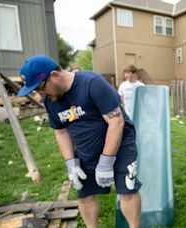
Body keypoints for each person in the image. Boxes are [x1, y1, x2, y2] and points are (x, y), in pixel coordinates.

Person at [17, 55, 142, 228]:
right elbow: (60, 132)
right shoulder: (50, 101)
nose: (40, 94)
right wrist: (71, 163)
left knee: (127, 190)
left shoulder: (92, 83)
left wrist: (106, 162)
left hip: (120, 143)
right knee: (84, 196)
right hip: (85, 149)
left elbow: (116, 122)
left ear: (54, 75)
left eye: (40, 88)